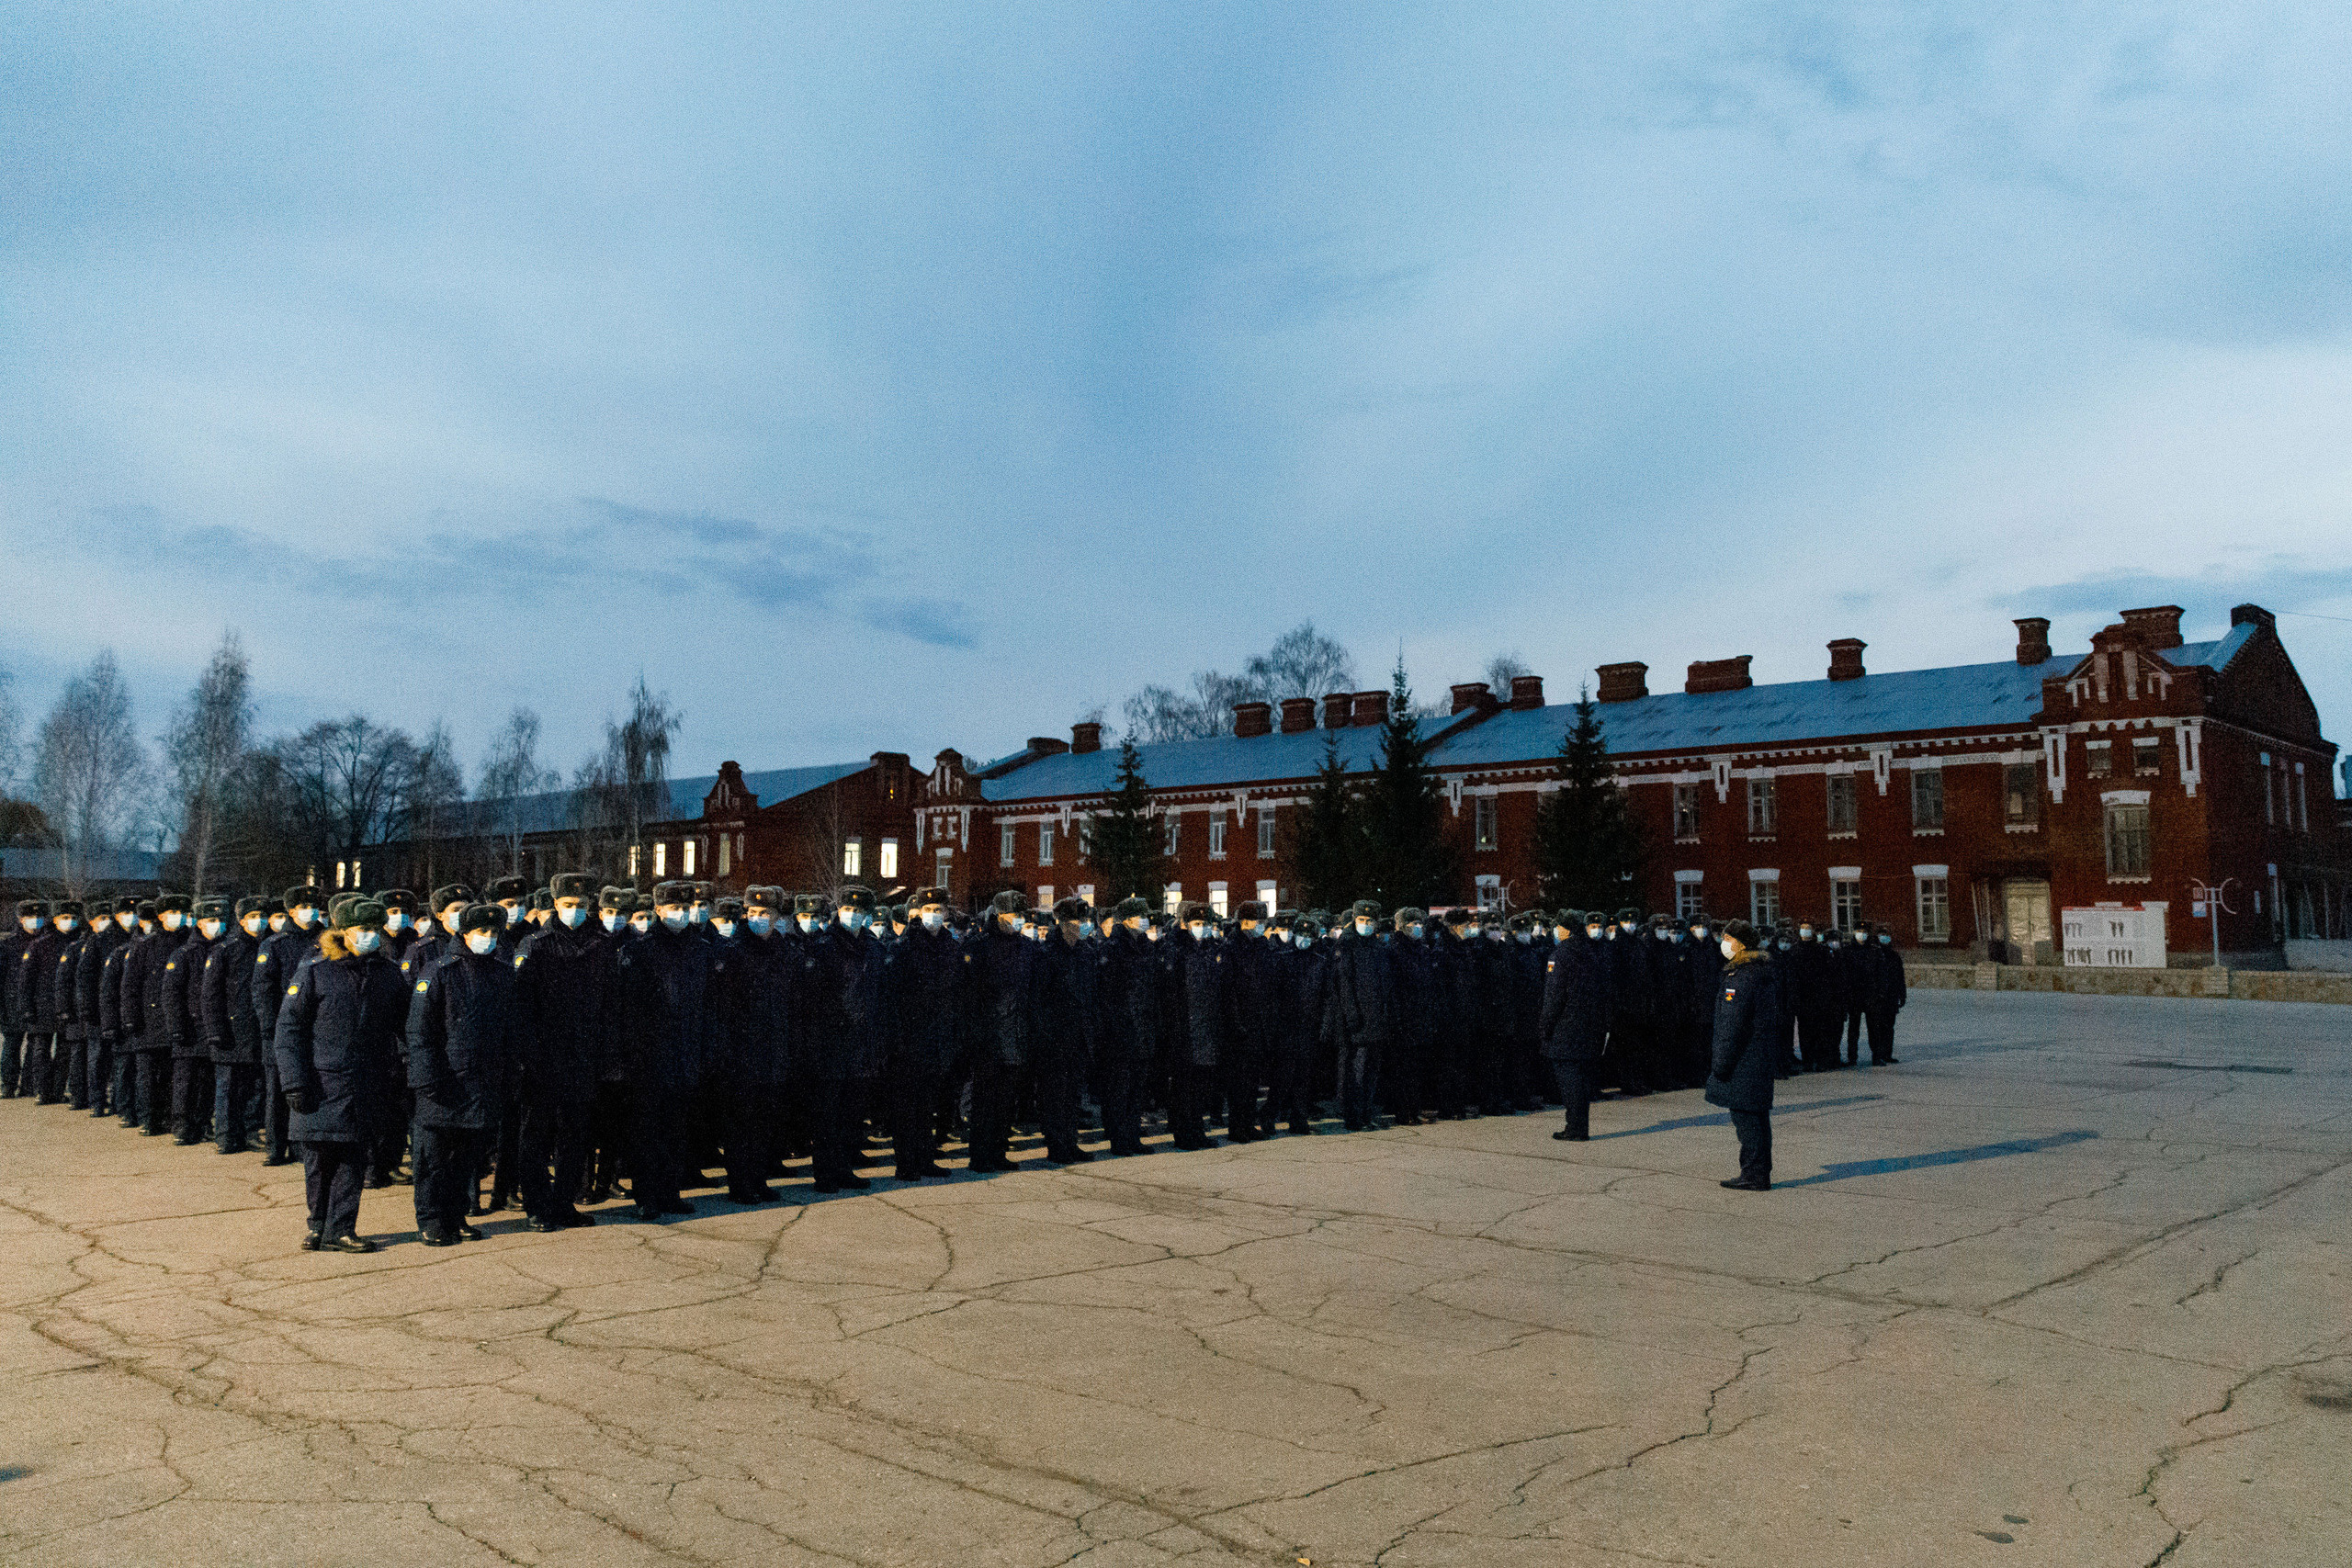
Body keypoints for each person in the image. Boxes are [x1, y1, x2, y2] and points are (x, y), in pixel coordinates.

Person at [277, 897, 409, 1252]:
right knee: (318, 1160)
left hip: (367, 1082)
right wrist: (293, 1081)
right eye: (362, 930)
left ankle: (342, 1228)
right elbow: (289, 1030)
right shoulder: (315, 970)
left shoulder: (389, 973)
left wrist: (402, 1067)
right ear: (343, 932)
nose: (370, 937)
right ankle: (317, 1225)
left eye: (374, 930)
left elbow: (406, 1025)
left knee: (353, 1157)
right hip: (321, 1082)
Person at [405, 903, 515, 1245]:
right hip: (444, 1081)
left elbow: (511, 1031)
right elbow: (420, 1032)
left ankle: (456, 1215)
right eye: (482, 932)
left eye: (494, 933)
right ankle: (431, 1219)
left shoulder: (501, 973)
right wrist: (426, 1080)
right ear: (464, 933)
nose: (488, 939)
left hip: (481, 1083)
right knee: (433, 1159)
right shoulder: (439, 971)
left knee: (467, 1159)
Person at [513, 873, 611, 1228]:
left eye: (581, 906)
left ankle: (564, 1203)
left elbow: (609, 1004)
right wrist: (527, 1055)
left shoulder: (601, 945)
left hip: (583, 1056)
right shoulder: (535, 946)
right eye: (568, 905)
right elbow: (520, 1007)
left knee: (575, 1136)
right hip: (543, 1057)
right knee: (536, 1136)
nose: (575, 911)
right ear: (555, 904)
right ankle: (537, 1206)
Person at [614, 882, 713, 1220]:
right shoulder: (640, 950)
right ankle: (646, 1196)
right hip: (649, 1056)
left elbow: (708, 1005)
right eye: (673, 908)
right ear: (658, 910)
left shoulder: (700, 948)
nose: (680, 915)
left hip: (685, 1052)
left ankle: (670, 1192)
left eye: (685, 909)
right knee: (647, 1131)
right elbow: (628, 1010)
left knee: (676, 1129)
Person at [963, 890, 1040, 1172]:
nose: (1019, 921)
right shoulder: (980, 946)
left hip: (1016, 1036)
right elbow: (970, 996)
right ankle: (980, 1156)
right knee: (985, 1101)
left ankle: (998, 1151)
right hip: (989, 1038)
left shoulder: (1027, 947)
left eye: (1022, 916)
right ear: (998, 916)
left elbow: (1033, 992)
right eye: (1014, 915)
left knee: (1006, 1101)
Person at [1703, 919, 1782, 1191]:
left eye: (1727, 938)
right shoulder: (1760, 972)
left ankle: (1753, 1175)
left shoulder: (1742, 978)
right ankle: (1759, 1172)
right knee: (1758, 1117)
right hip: (1758, 1059)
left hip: (1743, 1062)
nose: (1723, 943)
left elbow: (1731, 1026)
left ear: (1739, 944)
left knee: (1747, 1119)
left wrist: (1720, 1064)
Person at [253, 886, 325, 1165]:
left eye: (314, 905)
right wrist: (270, 1026)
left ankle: (302, 1145)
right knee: (277, 1090)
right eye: (304, 906)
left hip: (316, 1028)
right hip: (283, 1029)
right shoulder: (275, 944)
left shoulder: (326, 939)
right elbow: (263, 989)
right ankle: (276, 1145)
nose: (311, 911)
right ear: (292, 911)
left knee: (311, 1087)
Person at [1034, 896, 1098, 1164]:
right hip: (1055, 1038)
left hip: (1079, 1036)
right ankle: (1056, 1145)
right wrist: (1049, 1034)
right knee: (1055, 1095)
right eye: (1076, 921)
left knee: (1072, 1095)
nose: (1082, 926)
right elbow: (1039, 1000)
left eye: (1084, 920)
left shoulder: (1085, 953)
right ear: (1061, 923)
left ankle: (1070, 1142)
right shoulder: (1047, 954)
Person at [1090, 896, 1156, 1156]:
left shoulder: (1146, 947)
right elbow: (1107, 996)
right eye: (1141, 915)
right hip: (1120, 1032)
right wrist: (1114, 1029)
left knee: (1137, 1089)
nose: (1146, 920)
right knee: (1119, 1089)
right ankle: (1120, 1139)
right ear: (1128, 919)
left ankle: (1132, 1136)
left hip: (1142, 1028)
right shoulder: (1113, 948)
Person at [203, 897, 268, 1153]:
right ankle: (226, 1136)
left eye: (261, 915)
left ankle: (250, 1131)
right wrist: (216, 1030)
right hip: (230, 1029)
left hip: (256, 1027)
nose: (258, 920)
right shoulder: (225, 949)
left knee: (255, 1085)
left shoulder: (266, 946)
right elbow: (210, 994)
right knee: (228, 1087)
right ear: (241, 920)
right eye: (252, 916)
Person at [1540, 910, 1611, 1140]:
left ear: (1565, 929)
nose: (1555, 931)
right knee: (1582, 1079)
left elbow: (1554, 995)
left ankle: (1575, 1128)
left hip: (1566, 1028)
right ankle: (1580, 1127)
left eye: (1558, 926)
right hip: (1590, 1027)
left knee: (1569, 1080)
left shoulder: (1560, 954)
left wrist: (1545, 1025)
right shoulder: (1593, 951)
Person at [1329, 900, 1394, 1131]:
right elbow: (1344, 984)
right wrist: (1351, 1015)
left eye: (1369, 921)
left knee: (1371, 1072)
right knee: (1356, 1072)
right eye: (1361, 920)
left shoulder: (1377, 947)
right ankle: (1354, 1116)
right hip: (1356, 1023)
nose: (1365, 925)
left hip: (1376, 1020)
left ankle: (1366, 1113)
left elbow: (1385, 984)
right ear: (1354, 920)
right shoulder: (1346, 945)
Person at [0, 900, 43, 1099]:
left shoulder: (46, 942)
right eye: (30, 917)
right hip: (12, 1002)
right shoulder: (8, 945)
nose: (36, 921)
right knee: (12, 1044)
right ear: (20, 919)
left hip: (38, 1001)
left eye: (39, 917)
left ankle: (29, 1084)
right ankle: (8, 1084)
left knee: (36, 1044)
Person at [1860, 922, 1905, 1065]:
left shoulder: (1893, 955)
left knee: (1888, 1027)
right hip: (1876, 997)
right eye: (1881, 935)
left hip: (1891, 997)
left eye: (1886, 935)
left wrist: (1902, 994)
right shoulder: (1872, 954)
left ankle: (1887, 1054)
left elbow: (1899, 977)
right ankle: (1876, 1055)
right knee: (1876, 1028)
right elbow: (1868, 976)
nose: (1884, 938)